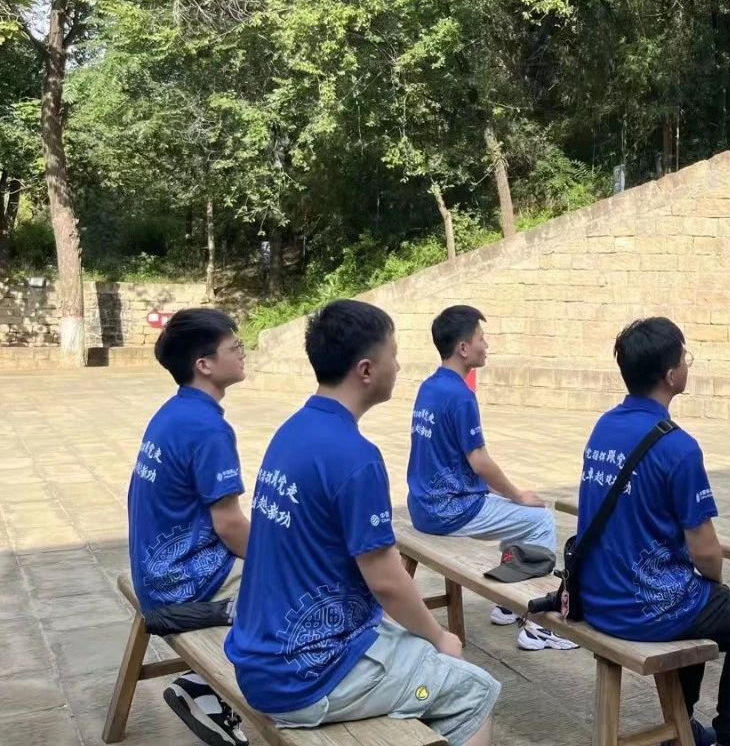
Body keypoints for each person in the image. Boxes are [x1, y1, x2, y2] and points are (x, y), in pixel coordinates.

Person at [225, 300, 499, 745]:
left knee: (414, 652)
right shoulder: (356, 457)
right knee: (474, 690)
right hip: (308, 674)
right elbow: (386, 580)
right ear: (367, 370)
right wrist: (440, 636)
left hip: (262, 655)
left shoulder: (293, 430)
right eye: (394, 355)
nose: (399, 366)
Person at [577, 318, 730, 746]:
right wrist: (716, 581)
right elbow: (705, 551)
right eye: (685, 357)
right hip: (642, 609)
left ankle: (682, 725)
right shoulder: (678, 447)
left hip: (595, 599)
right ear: (671, 375)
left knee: (700, 600)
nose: (688, 363)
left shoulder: (604, 426)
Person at [407, 305, 576, 652]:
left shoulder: (429, 387)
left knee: (517, 518)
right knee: (539, 519)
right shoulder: (460, 396)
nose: (486, 346)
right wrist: (517, 495)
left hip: (423, 506)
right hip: (451, 510)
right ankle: (538, 626)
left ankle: (505, 604)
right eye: (481, 339)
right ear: (463, 348)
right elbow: (479, 461)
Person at [127, 308, 252, 746]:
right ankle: (204, 688)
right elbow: (230, 526)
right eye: (235, 347)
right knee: (309, 592)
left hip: (156, 571)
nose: (243, 353)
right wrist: (281, 561)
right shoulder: (208, 429)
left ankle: (205, 686)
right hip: (183, 583)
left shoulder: (173, 412)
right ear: (204, 364)